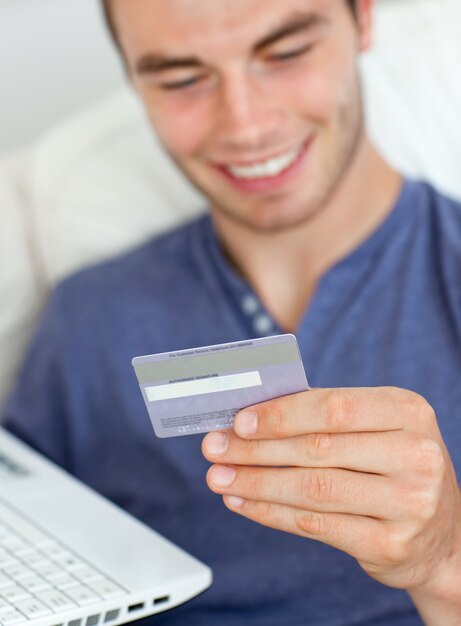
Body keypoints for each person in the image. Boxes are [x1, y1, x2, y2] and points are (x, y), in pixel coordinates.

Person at [3, 0, 461, 624]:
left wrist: (444, 563)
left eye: (286, 52)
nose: (245, 126)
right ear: (135, 82)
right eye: (182, 79)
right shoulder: (89, 319)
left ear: (364, 20)